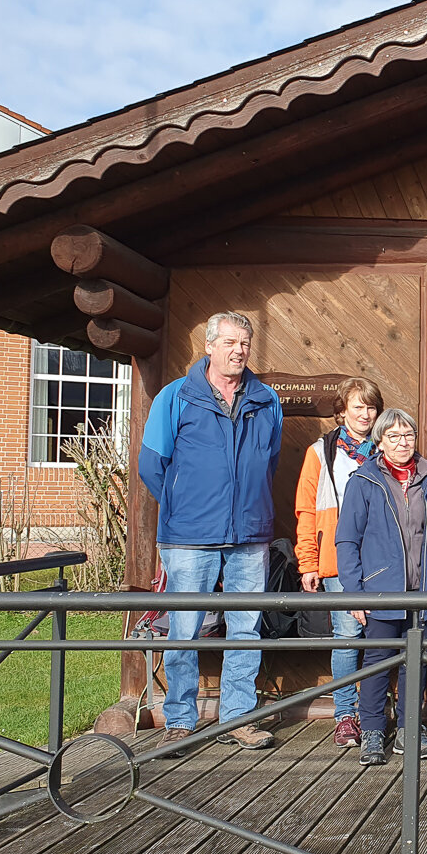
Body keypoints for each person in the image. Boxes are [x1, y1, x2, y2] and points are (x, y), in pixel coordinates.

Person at [139, 311, 282, 751]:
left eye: (245, 343)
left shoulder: (266, 400)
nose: (239, 350)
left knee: (246, 630)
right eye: (230, 342)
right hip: (188, 536)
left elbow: (268, 462)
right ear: (209, 346)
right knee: (185, 629)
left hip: (249, 536)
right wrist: (185, 507)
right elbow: (151, 465)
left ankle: (237, 719)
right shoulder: (175, 396)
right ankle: (180, 720)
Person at [335, 409, 427, 767]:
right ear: (380, 442)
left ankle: (408, 730)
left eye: (408, 436)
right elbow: (347, 540)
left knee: (414, 666)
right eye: (394, 437)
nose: (403, 443)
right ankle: (372, 732)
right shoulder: (364, 480)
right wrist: (355, 593)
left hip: (425, 590)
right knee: (376, 662)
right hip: (381, 590)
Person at [293, 376, 383, 749]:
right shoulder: (321, 452)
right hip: (335, 559)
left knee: (380, 638)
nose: (365, 414)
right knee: (348, 638)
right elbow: (306, 509)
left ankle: (374, 712)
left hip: (379, 559)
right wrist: (307, 562)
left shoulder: (386, 448)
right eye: (358, 407)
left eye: (371, 407)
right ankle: (345, 715)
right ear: (342, 412)